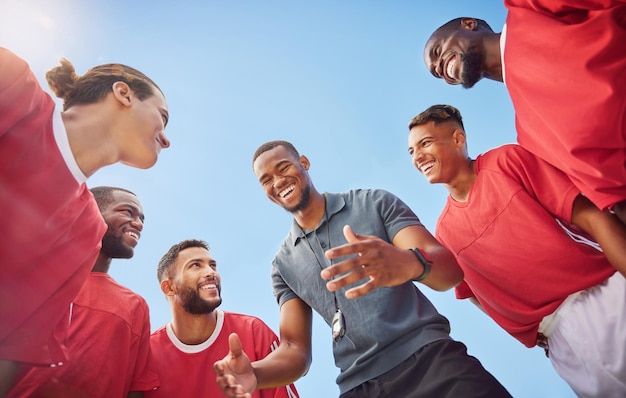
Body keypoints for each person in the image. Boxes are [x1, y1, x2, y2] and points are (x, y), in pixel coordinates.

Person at [214, 140, 512, 398]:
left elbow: (449, 272)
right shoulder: (282, 265)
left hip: (433, 362)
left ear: (303, 163)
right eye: (266, 180)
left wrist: (409, 262)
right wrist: (256, 373)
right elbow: (295, 350)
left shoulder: (373, 203)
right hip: (360, 387)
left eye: (283, 168)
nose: (277, 182)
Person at [406, 104, 626, 397]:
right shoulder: (444, 232)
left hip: (605, 297)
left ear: (458, 139)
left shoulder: (505, 161)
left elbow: (591, 216)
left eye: (425, 143)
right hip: (561, 343)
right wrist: (533, 332)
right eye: (411, 152)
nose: (417, 156)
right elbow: (474, 295)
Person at [0, 47, 170, 395]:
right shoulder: (12, 84)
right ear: (123, 94)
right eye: (162, 117)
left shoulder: (85, 231)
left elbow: (10, 348)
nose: (166, 139)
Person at [422, 3, 626, 225]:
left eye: (437, 51)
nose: (438, 67)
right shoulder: (529, 134)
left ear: (469, 25)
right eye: (435, 73)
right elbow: (614, 195)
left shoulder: (528, 8)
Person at [8, 186, 159, 397]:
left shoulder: (136, 305)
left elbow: (136, 386)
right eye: (128, 212)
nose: (138, 224)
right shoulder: (37, 277)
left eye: (142, 219)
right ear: (91, 213)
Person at [148, 239, 298, 398]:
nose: (211, 272)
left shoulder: (254, 331)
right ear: (169, 287)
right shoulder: (146, 355)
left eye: (212, 265)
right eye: (195, 265)